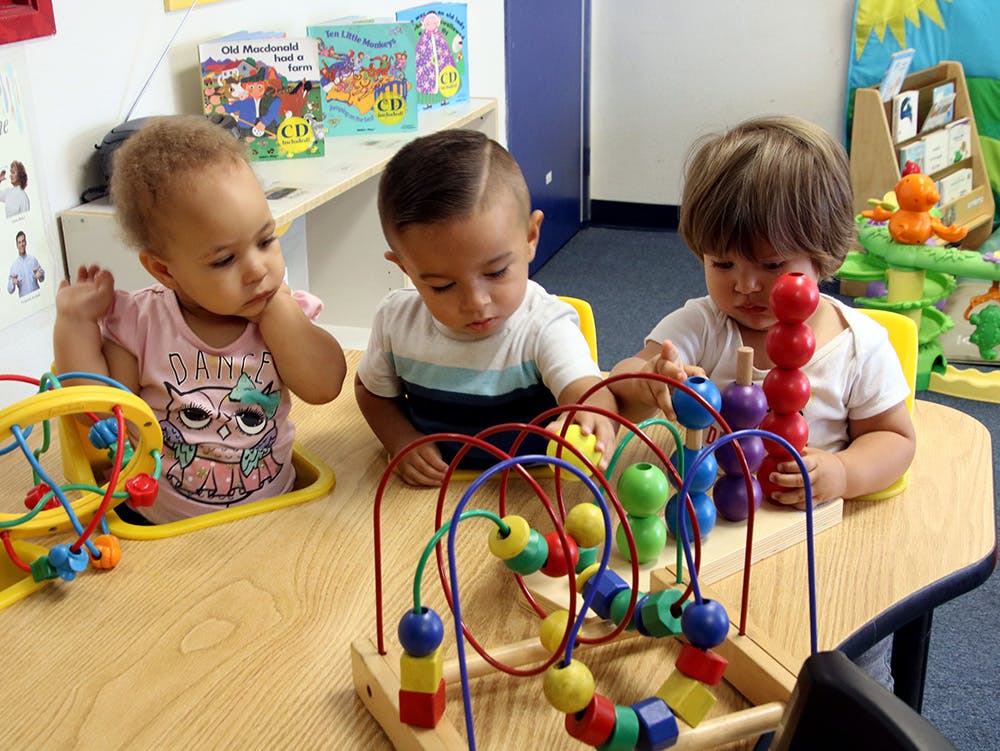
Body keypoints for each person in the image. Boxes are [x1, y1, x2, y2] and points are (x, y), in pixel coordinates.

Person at [609, 115, 916, 689]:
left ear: (824, 256)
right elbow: (623, 377)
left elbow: (896, 439)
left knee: (848, 651)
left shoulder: (857, 346)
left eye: (772, 266)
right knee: (687, 655)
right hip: (710, 536)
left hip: (810, 540)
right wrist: (653, 378)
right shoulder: (702, 323)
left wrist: (845, 470)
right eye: (722, 263)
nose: (745, 285)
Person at [53, 116, 347, 524]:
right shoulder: (142, 324)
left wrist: (279, 310)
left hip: (274, 516)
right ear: (165, 271)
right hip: (162, 528)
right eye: (225, 260)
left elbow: (325, 386)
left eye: (266, 240)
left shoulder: (278, 312)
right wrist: (75, 323)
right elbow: (102, 414)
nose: (257, 269)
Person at [356, 129, 618, 486]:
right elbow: (372, 391)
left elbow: (589, 393)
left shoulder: (543, 326)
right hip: (436, 495)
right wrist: (401, 439)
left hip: (526, 490)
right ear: (405, 268)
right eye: (442, 285)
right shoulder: (395, 321)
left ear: (530, 238)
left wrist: (590, 418)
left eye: (495, 272)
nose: (476, 302)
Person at [7, 230, 44, 297]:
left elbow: (42, 278)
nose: (22, 244)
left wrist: (40, 275)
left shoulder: (33, 260)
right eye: (19, 242)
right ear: (17, 245)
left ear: (26, 242)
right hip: (25, 302)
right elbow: (9, 290)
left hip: (37, 297)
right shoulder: (14, 266)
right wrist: (12, 282)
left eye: (23, 241)